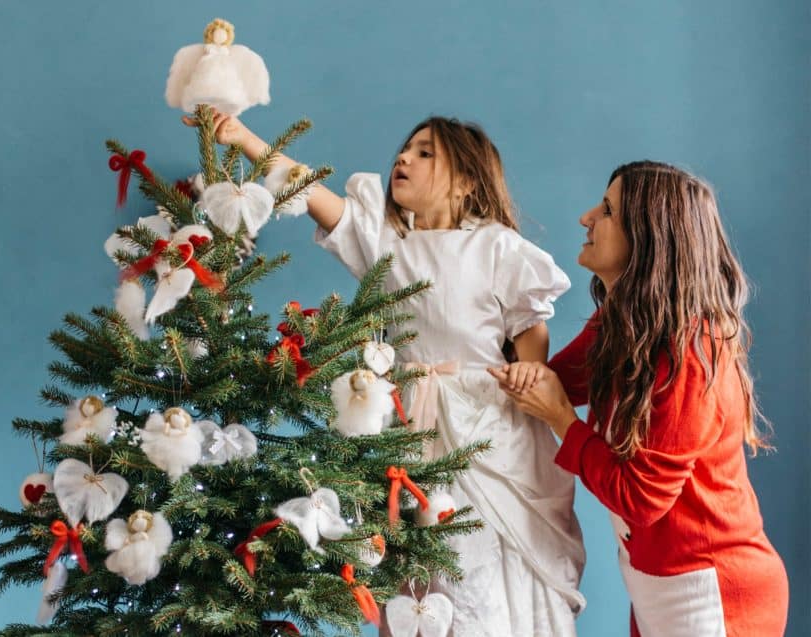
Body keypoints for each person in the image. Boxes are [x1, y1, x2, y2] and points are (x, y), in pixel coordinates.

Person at [186, 111, 586, 636]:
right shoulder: (385, 239)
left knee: (483, 570)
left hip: (489, 439)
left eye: (426, 153)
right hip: (407, 430)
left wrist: (527, 382)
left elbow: (533, 368)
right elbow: (305, 187)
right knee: (417, 579)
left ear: (466, 182)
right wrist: (242, 138)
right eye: (406, 148)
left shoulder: (499, 249)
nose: (404, 157)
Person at [489, 161, 789, 636]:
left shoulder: (691, 350)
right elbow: (548, 382)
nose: (586, 217)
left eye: (607, 210)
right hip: (655, 586)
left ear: (649, 239)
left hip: (715, 593)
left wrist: (564, 420)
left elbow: (641, 498)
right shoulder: (621, 328)